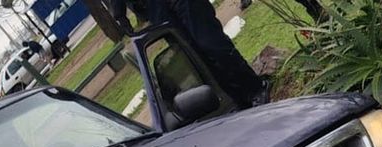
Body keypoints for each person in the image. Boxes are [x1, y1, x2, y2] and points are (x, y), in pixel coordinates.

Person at [109, 0, 269, 108]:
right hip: (154, 7)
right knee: (194, 57)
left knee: (211, 42)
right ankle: (236, 97)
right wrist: (119, 15)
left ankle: (255, 87)